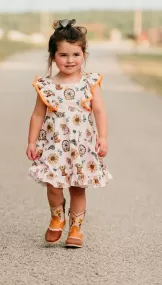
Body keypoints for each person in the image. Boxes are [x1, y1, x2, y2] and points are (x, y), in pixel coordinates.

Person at [26, 19, 112, 248]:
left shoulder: (90, 83)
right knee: (53, 185)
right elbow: (37, 115)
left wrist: (102, 138)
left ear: (84, 54)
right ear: (53, 57)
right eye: (63, 55)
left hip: (81, 147)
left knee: (77, 187)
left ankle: (76, 228)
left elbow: (100, 111)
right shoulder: (46, 85)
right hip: (54, 148)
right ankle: (57, 216)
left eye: (76, 54)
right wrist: (32, 142)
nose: (70, 60)